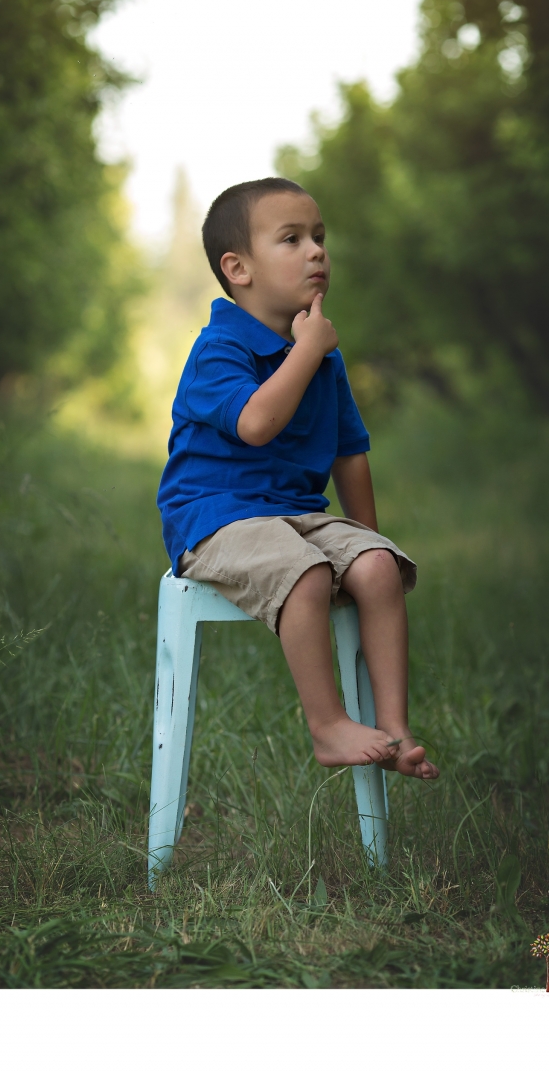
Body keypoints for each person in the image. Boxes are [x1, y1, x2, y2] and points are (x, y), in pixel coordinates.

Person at [157, 178, 439, 779]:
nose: (316, 251)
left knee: (379, 567)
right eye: (292, 239)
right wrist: (307, 351)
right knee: (306, 572)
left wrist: (367, 543)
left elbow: (350, 452)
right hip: (216, 518)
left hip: (297, 514)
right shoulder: (219, 349)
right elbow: (256, 424)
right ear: (238, 269)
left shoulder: (321, 356)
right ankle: (327, 726)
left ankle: (394, 726)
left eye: (319, 237)